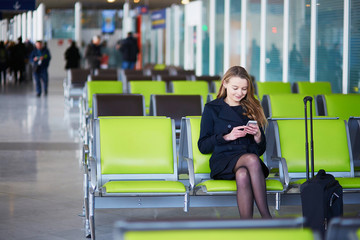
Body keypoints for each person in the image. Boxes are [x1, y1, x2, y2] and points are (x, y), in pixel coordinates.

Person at [198, 66, 271, 219]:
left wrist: (258, 136)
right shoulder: (212, 108)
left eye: (244, 89)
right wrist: (227, 137)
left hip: (248, 163)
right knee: (251, 159)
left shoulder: (252, 106)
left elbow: (261, 149)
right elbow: (203, 146)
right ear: (225, 84)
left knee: (243, 174)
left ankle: (246, 228)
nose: (239, 93)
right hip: (223, 161)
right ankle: (267, 218)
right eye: (235, 88)